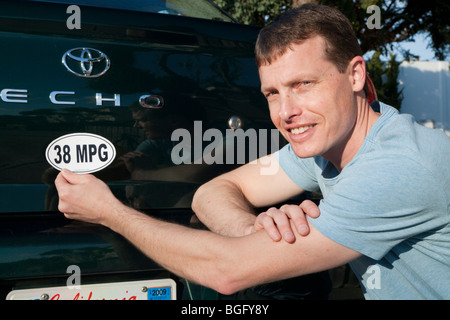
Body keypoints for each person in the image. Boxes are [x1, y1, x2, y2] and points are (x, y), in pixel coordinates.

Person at [55, 4, 450, 299]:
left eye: (304, 84)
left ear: (355, 75)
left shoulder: (396, 166)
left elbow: (228, 271)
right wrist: (252, 229)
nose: (286, 112)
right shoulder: (323, 150)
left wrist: (109, 213)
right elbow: (213, 190)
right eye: (272, 93)